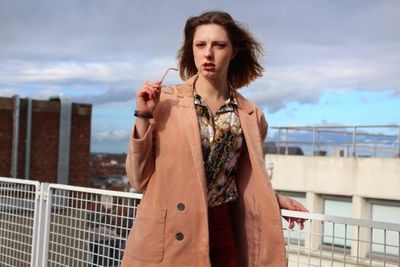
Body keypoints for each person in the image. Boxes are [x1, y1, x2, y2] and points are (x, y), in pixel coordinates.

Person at [122, 11, 308, 267]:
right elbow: (137, 178)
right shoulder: (165, 102)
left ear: (233, 51)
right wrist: (143, 113)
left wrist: (272, 199)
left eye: (218, 45)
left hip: (222, 226)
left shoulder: (251, 115)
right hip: (170, 232)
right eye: (201, 45)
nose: (208, 53)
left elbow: (241, 178)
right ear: (192, 50)